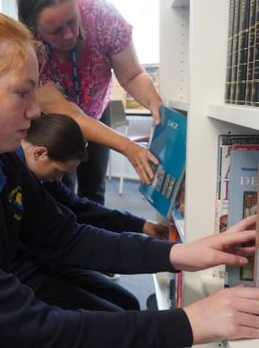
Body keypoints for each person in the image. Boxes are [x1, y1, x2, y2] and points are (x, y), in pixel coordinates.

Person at [0, 6, 259, 348]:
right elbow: (39, 333)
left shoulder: (2, 162)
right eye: (22, 93)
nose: (35, 112)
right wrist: (193, 322)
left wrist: (179, 253)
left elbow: (67, 237)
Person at [17, 0, 163, 205]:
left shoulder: (101, 15)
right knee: (60, 186)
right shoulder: (28, 49)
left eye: (72, 21)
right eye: (55, 31)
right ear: (34, 29)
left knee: (94, 187)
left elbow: (132, 73)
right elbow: (71, 115)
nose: (68, 35)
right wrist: (126, 146)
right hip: (56, 121)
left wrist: (155, 103)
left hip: (97, 110)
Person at [15, 113, 167, 311]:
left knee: (127, 301)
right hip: (25, 271)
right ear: (40, 153)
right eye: (58, 172)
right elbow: (69, 239)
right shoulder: (13, 177)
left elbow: (81, 208)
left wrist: (140, 225)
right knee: (114, 315)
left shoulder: (44, 178)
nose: (59, 180)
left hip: (48, 258)